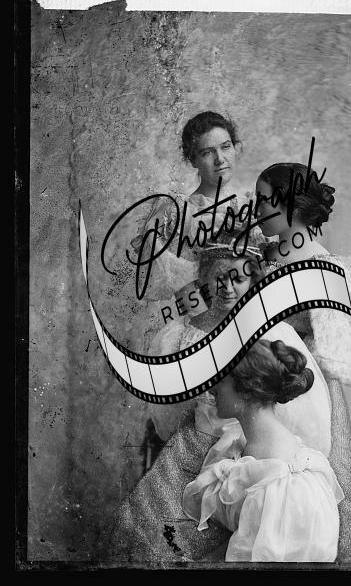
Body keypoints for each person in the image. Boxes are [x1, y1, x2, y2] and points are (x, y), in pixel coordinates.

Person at [109, 238, 332, 562]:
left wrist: (273, 460)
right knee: (142, 529)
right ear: (205, 280)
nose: (227, 288)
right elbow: (168, 408)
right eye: (218, 278)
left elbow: (301, 417)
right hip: (195, 443)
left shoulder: (273, 335)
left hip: (256, 450)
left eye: (237, 278)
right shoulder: (191, 333)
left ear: (254, 279)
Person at [254, 162, 351, 561]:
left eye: (263, 201)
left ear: (290, 206)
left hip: (302, 390)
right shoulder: (261, 254)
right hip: (254, 377)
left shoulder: (325, 267)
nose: (256, 210)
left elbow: (336, 345)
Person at [182, 339, 344, 562]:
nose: (213, 387)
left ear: (248, 390)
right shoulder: (241, 444)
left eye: (223, 379)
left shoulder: (287, 491)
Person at [130, 111, 262, 306]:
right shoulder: (179, 214)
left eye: (226, 147)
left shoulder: (254, 206)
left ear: (235, 148)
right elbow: (173, 281)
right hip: (207, 318)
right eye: (207, 152)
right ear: (193, 160)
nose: (220, 159)